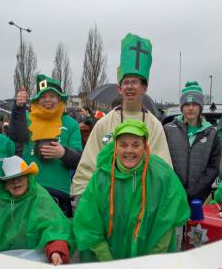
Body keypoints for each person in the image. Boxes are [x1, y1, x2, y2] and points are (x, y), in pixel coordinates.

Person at [71, 33, 173, 200]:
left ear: (144, 88)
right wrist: (82, 198)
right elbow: (88, 165)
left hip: (142, 202)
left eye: (135, 82)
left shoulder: (154, 126)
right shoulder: (104, 123)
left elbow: (163, 169)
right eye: (126, 82)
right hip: (108, 201)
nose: (130, 87)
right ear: (119, 88)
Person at [73, 120, 189, 261]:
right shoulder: (102, 177)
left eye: (136, 145)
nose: (129, 150)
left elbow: (168, 221)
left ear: (145, 147)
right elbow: (89, 222)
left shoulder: (161, 175)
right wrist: (108, 262)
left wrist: (151, 262)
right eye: (123, 145)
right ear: (115, 147)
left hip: (151, 264)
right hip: (107, 266)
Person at [0, 156, 73, 265]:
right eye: (10, 179)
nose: (15, 182)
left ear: (28, 178)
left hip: (33, 263)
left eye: (20, 177)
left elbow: (55, 227)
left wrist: (56, 251)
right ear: (4, 184)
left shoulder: (40, 197)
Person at [10, 74, 83, 217]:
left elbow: (79, 161)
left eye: (52, 96)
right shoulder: (27, 119)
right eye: (43, 96)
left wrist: (63, 153)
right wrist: (18, 108)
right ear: (37, 99)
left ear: (60, 99)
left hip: (59, 192)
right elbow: (15, 135)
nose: (48, 100)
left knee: (56, 236)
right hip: (29, 190)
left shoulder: (71, 124)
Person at [163, 81, 221, 204]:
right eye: (187, 104)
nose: (190, 108)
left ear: (200, 106)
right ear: (182, 107)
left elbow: (213, 166)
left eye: (194, 104)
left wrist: (196, 190)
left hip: (200, 197)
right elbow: (163, 162)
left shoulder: (211, 133)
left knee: (197, 223)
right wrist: (175, 187)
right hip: (172, 195)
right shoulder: (168, 129)